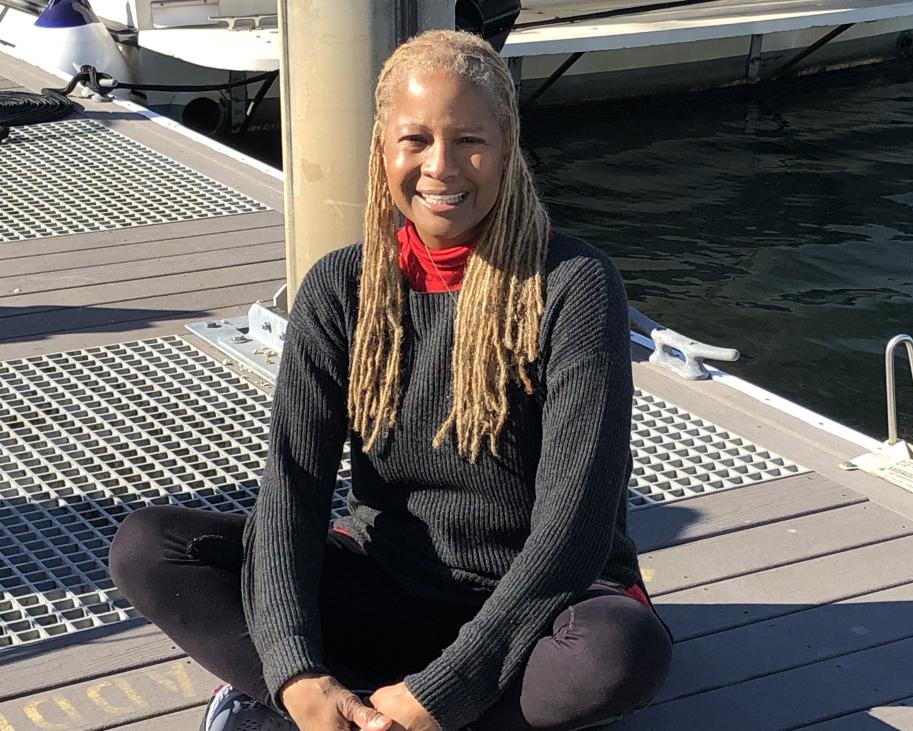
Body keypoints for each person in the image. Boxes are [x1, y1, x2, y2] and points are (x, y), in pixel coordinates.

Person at [109, 29, 672, 731]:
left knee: (620, 652)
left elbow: (576, 524)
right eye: (415, 140)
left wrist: (444, 687)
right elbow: (293, 490)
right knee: (150, 544)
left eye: (469, 139)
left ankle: (390, 712)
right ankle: (318, 705)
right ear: (382, 149)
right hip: (393, 585)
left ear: (505, 148)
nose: (441, 166)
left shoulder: (573, 284)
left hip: (545, 607)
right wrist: (293, 668)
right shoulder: (340, 286)